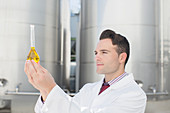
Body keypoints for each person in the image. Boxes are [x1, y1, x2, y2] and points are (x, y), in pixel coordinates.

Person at [24, 29, 147, 113]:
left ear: (122, 57)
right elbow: (67, 109)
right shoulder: (89, 89)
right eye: (96, 53)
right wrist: (44, 91)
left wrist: (51, 88)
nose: (97, 57)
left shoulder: (134, 95)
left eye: (104, 52)